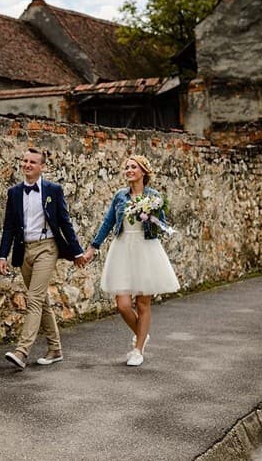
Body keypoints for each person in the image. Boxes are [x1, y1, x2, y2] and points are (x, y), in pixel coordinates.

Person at [82, 154, 179, 366]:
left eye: (133, 167)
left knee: (143, 303)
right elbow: (108, 222)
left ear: (143, 171)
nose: (129, 170)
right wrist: (93, 248)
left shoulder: (154, 197)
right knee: (123, 304)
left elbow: (161, 225)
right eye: (126, 167)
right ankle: (142, 334)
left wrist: (150, 215)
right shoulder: (120, 196)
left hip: (146, 248)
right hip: (123, 248)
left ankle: (138, 349)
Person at [0, 147, 87, 369]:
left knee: (34, 299)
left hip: (47, 248)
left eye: (32, 162)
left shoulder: (53, 190)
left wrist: (76, 251)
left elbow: (64, 222)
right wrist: (2, 255)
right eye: (24, 161)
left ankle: (22, 351)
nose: (27, 165)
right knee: (41, 300)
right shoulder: (14, 192)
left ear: (42, 166)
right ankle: (55, 349)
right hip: (24, 250)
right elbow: (8, 226)